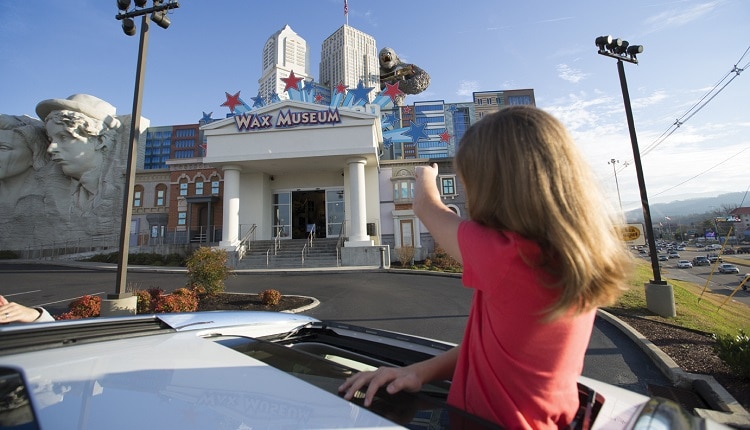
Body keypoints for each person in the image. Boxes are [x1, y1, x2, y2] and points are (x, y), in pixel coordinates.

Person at [339, 105, 633, 429]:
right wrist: (418, 371)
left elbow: (424, 204)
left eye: (469, 182)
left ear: (494, 187)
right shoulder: (571, 258)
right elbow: (489, 351)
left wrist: (425, 175)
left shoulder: (507, 257)